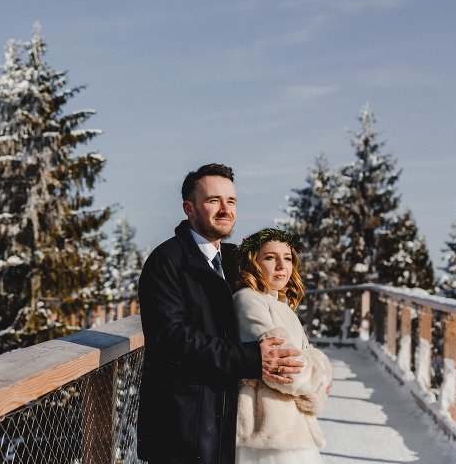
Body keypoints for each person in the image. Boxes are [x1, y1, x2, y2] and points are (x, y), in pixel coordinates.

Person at [136, 164, 305, 464]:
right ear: (189, 208)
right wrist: (251, 358)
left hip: (227, 423)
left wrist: (312, 365)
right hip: (182, 427)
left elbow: (269, 306)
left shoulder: (235, 262)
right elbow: (171, 337)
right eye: (214, 200)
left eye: (232, 201)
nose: (226, 209)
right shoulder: (167, 262)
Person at [232, 228, 333, 464]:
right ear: (252, 262)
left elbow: (302, 359)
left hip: (292, 426)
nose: (281, 265)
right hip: (269, 431)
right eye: (270, 257)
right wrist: (320, 376)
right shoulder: (248, 299)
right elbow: (283, 365)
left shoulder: (281, 304)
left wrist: (315, 371)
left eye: (287, 258)